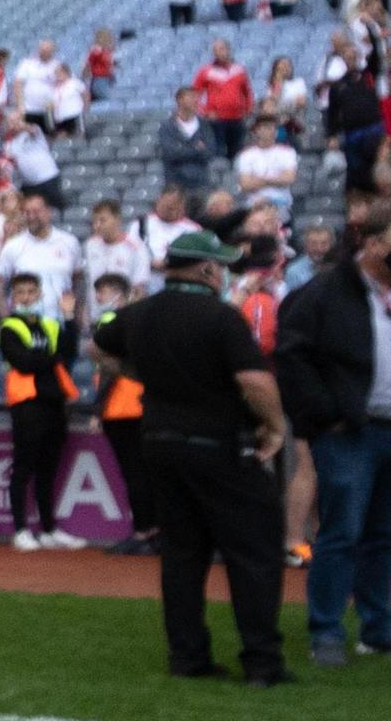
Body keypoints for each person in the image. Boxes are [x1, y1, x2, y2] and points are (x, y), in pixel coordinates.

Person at [94, 230, 292, 685]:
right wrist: (275, 427)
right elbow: (256, 383)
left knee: (183, 554)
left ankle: (187, 657)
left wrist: (139, 373)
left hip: (159, 442)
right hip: (216, 445)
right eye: (219, 267)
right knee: (253, 552)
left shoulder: (138, 314)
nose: (223, 273)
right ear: (206, 270)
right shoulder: (221, 318)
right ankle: (261, 662)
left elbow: (98, 347)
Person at [272, 201, 391, 666]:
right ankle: (326, 630)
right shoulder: (326, 292)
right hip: (350, 432)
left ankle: (378, 628)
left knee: (383, 535)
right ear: (373, 241)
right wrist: (326, 413)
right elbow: (293, 355)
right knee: (341, 531)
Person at [0, 273, 83, 551]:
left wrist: (69, 317)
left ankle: (48, 529)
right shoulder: (10, 328)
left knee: (48, 470)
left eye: (31, 292)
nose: (26, 298)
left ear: (39, 295)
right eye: (21, 293)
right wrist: (52, 358)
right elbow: (23, 363)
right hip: (27, 405)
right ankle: (21, 529)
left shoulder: (50, 325)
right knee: (23, 468)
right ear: (13, 298)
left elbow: (69, 351)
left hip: (53, 403)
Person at [90, 274, 157, 557]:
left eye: (105, 293)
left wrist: (97, 410)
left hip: (121, 407)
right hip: (143, 405)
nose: (101, 299)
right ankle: (154, 530)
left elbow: (107, 369)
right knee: (148, 472)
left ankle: (144, 531)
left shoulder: (113, 323)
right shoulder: (150, 326)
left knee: (134, 473)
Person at [194, 38, 254, 161]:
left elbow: (247, 92)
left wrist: (248, 109)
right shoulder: (206, 71)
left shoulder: (239, 70)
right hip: (217, 120)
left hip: (237, 118)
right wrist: (204, 112)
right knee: (219, 153)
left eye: (221, 49)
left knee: (237, 153)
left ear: (228, 50)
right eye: (215, 50)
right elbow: (195, 95)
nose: (218, 52)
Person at [158, 86, 218, 198]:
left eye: (197, 97)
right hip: (176, 186)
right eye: (191, 97)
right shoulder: (167, 127)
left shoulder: (204, 125)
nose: (195, 100)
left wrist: (183, 149)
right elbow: (171, 154)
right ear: (179, 100)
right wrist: (196, 149)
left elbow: (209, 153)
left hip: (201, 185)